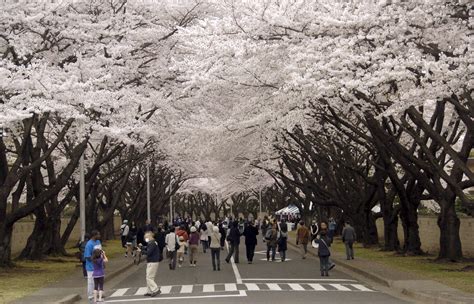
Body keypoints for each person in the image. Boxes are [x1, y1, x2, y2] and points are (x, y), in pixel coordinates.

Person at [84, 230, 102, 303]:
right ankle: (90, 295)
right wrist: (95, 260)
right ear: (94, 235)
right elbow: (87, 256)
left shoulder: (98, 242)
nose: (99, 236)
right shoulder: (89, 244)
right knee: (91, 282)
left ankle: (96, 294)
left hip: (98, 266)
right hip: (91, 267)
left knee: (98, 281)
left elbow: (101, 252)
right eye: (98, 234)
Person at [144, 232, 161, 297]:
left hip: (152, 261)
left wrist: (142, 251)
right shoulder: (153, 243)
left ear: (150, 237)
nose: (145, 238)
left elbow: (148, 252)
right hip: (153, 261)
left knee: (149, 277)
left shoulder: (152, 243)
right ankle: (149, 290)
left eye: (146, 237)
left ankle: (155, 289)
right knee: (149, 276)